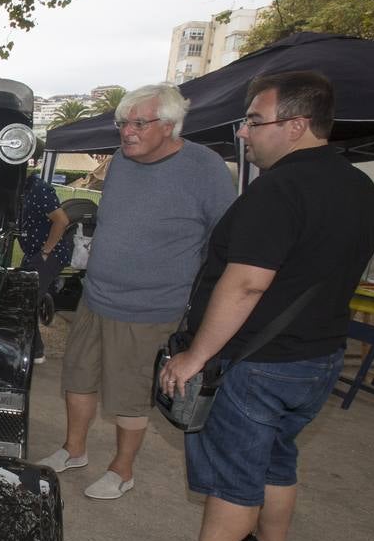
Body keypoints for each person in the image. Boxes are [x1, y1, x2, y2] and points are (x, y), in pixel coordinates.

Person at [127, 71, 374, 541]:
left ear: (295, 125)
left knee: (233, 470)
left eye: (253, 121)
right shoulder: (359, 186)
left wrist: (196, 356)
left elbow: (245, 283)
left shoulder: (281, 189)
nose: (243, 133)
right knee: (277, 457)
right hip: (319, 357)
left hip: (259, 361)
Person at [38, 82, 235, 500]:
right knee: (78, 377)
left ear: (169, 125)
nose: (127, 132)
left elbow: (225, 241)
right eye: (122, 123)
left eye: (138, 123)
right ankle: (74, 450)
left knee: (129, 395)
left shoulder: (205, 167)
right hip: (96, 296)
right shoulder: (123, 162)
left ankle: (122, 469)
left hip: (150, 308)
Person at [18, 166, 72, 364]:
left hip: (49, 255)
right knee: (26, 298)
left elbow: (62, 220)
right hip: (35, 254)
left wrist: (46, 251)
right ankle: (36, 350)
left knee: (28, 301)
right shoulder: (23, 190)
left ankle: (37, 351)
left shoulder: (39, 189)